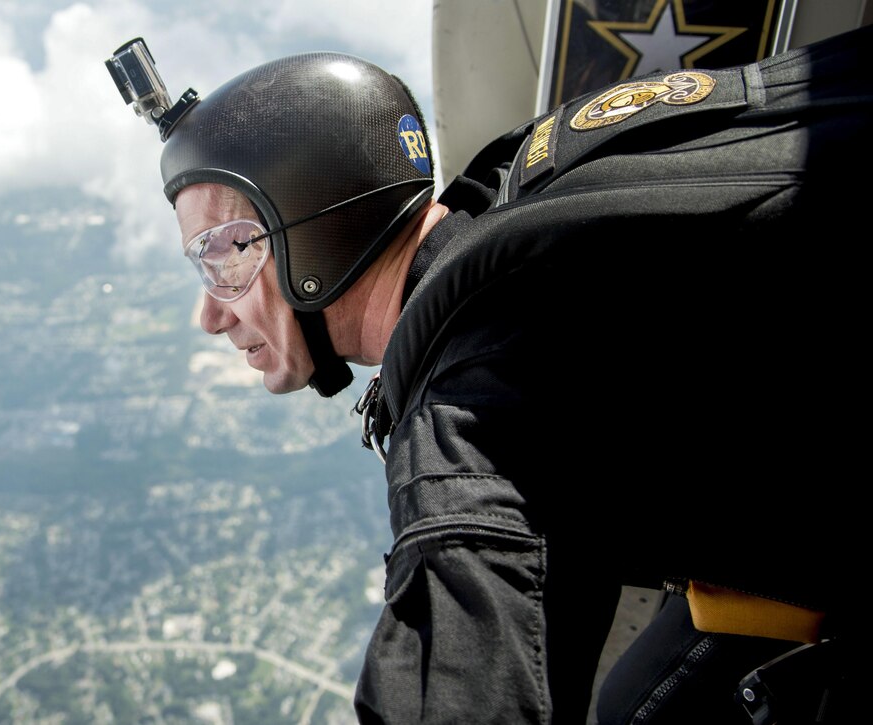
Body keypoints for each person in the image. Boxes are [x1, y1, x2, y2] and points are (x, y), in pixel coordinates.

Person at [109, 21, 871, 724]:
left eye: (223, 256)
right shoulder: (532, 173)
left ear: (311, 230)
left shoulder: (467, 427)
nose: (209, 314)